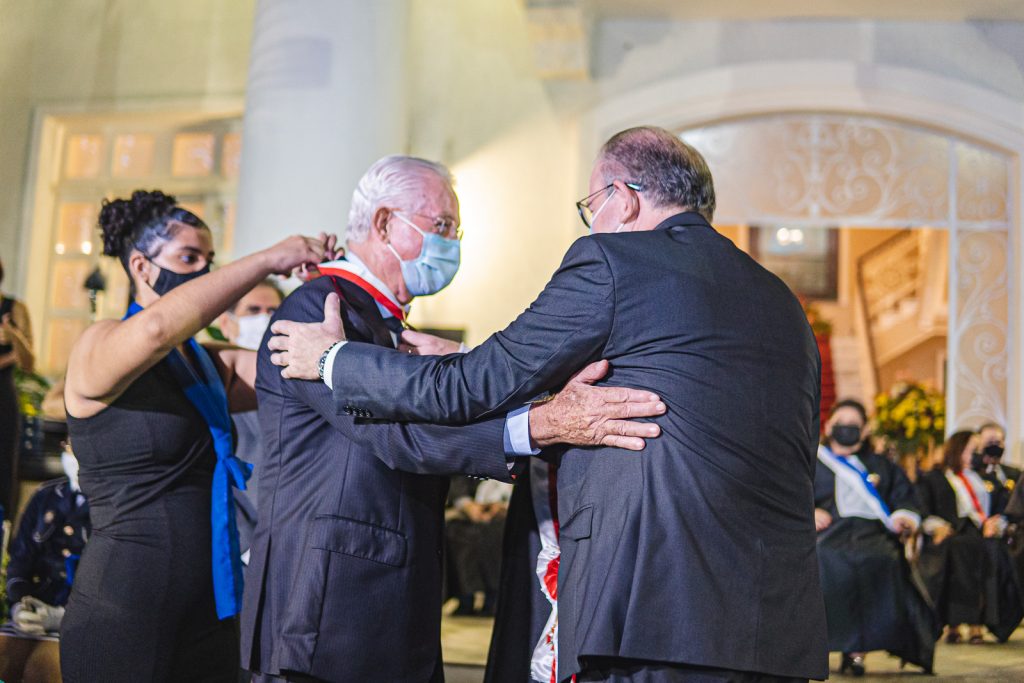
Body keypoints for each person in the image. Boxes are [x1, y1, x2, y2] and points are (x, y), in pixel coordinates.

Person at [269, 128, 828, 681]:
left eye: (592, 205)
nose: (593, 223)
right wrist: (473, 361)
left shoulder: (615, 260)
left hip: (653, 608)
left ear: (623, 198)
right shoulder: (781, 302)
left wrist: (333, 360)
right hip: (774, 626)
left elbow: (467, 387)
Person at [242, 155, 666, 683]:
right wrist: (540, 424)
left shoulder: (385, 319)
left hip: (392, 598)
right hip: (325, 606)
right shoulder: (318, 312)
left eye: (455, 231)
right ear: (383, 223)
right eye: (441, 225)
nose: (451, 244)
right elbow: (401, 436)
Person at [60, 189, 331, 682]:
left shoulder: (206, 363)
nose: (204, 273)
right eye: (189, 259)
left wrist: (329, 287)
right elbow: (156, 330)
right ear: (141, 267)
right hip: (123, 611)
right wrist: (268, 258)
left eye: (209, 262)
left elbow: (303, 368)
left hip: (210, 610)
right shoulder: (97, 345)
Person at [814, 399, 938, 675]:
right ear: (828, 426)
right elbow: (790, 495)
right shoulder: (813, 461)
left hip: (874, 535)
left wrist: (905, 517)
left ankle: (857, 652)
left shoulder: (882, 465)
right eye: (841, 423)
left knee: (885, 560)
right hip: (829, 536)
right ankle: (820, 646)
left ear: (865, 430)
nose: (846, 428)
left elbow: (905, 497)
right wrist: (808, 512)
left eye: (854, 424)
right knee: (827, 562)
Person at [916, 430, 1024, 645]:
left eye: (978, 450)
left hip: (981, 534)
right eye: (971, 450)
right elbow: (922, 509)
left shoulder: (985, 478)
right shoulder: (935, 478)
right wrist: (937, 526)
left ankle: (979, 622)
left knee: (994, 552)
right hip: (950, 534)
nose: (976, 454)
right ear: (958, 450)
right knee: (961, 550)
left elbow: (1003, 508)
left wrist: (997, 522)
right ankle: (954, 623)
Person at [0, 442, 88, 682]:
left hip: (79, 616)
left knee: (41, 670)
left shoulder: (113, 503)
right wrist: (19, 602)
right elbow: (21, 559)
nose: (72, 454)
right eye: (69, 446)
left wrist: (63, 616)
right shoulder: (45, 496)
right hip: (35, 605)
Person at [216, 279, 285, 562]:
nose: (264, 319)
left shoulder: (293, 381)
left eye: (273, 311)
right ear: (226, 323)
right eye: (253, 310)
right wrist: (245, 546)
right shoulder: (217, 382)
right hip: (243, 549)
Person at [446, 476, 512, 616]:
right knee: (455, 531)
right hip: (470, 511)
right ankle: (465, 596)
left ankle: (494, 598)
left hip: (505, 512)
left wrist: (502, 505)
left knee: (497, 533)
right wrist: (468, 505)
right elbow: (458, 480)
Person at [0, 255, 35, 519]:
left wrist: (14, 336)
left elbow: (29, 363)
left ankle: (5, 532)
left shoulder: (15, 308)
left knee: (4, 468)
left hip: (3, 397)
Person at [972, 422, 1018, 516]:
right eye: (989, 443)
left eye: (998, 443)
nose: (994, 447)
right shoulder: (972, 475)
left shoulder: (1015, 474)